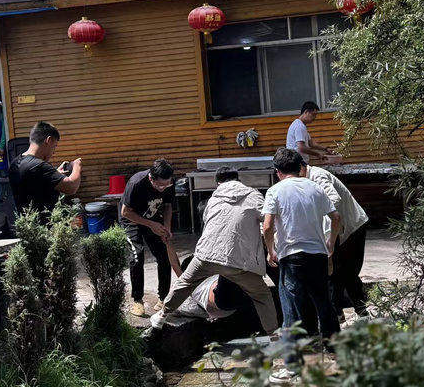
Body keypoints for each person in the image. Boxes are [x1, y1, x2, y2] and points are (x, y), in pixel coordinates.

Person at [151, 166, 278, 334]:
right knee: (262, 296)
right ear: (238, 180)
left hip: (206, 256)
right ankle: (274, 337)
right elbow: (269, 223)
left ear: (217, 183)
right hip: (238, 263)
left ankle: (161, 316)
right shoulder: (254, 195)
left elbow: (208, 225)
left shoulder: (213, 199)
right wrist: (269, 247)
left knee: (184, 283)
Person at [263, 148, 341, 362]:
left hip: (291, 256)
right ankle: (335, 349)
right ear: (300, 168)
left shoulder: (275, 191)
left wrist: (271, 250)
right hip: (317, 254)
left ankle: (292, 360)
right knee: (324, 303)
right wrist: (330, 244)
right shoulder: (315, 188)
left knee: (290, 307)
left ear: (278, 171)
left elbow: (267, 226)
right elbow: (336, 217)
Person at [306, 163, 369, 317]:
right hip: (338, 229)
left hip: (351, 226)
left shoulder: (317, 176)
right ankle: (338, 312)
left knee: (347, 271)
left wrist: (329, 238)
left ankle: (360, 310)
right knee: (335, 272)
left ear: (301, 168)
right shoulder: (306, 180)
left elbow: (334, 200)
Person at [121, 159, 176, 317]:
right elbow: (125, 212)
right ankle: (137, 300)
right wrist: (151, 224)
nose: (163, 188)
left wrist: (166, 228)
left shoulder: (169, 182)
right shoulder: (136, 183)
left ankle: (163, 297)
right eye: (160, 185)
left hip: (153, 219)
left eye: (166, 185)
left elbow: (167, 205)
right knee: (137, 256)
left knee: (164, 256)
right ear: (151, 178)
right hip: (131, 220)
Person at [8, 120, 81, 215]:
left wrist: (55, 173)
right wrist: (76, 166)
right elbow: (71, 187)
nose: (53, 152)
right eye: (54, 146)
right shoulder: (38, 166)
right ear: (48, 140)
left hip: (26, 221)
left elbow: (35, 184)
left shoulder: (16, 162)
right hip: (43, 222)